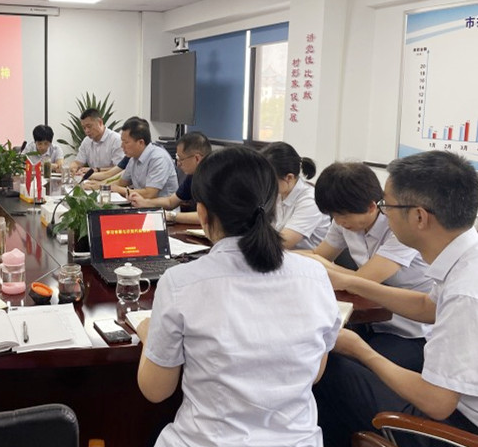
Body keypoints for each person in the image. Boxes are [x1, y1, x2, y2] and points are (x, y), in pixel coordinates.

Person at [136, 146, 341, 447]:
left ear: (202, 213)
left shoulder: (181, 283)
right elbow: (314, 373)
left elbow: (156, 391)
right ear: (272, 205)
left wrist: (148, 333)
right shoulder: (314, 276)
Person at [314, 151, 478, 446]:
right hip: (455, 401)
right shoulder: (466, 259)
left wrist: (361, 350)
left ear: (419, 216)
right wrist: (351, 281)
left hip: (457, 428)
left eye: (386, 205)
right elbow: (427, 307)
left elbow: (437, 402)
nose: (383, 213)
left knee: (330, 370)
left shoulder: (465, 292)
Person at [305, 161, 432, 371]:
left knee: (341, 368)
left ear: (371, 206)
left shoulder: (400, 228)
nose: (339, 221)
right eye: (334, 215)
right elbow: (319, 255)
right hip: (369, 321)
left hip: (410, 331)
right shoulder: (344, 222)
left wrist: (320, 264)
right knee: (315, 353)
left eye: (343, 215)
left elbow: (363, 280)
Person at [129, 131, 211, 225]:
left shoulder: (216, 177)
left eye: (181, 159)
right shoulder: (193, 176)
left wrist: (171, 216)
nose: (178, 164)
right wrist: (145, 202)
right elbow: (170, 202)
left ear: (197, 158)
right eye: (177, 158)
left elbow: (208, 217)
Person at [260, 141, 330, 249]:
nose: (264, 183)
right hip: (284, 256)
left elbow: (282, 243)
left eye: (269, 180)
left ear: (289, 178)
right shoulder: (279, 194)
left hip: (307, 258)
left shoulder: (310, 200)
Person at [105, 118, 178, 199]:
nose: (122, 146)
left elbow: (149, 194)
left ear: (140, 142)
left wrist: (119, 190)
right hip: (141, 204)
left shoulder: (158, 158)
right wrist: (102, 187)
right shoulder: (133, 158)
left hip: (160, 206)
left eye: (126, 142)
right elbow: (122, 182)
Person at [69, 108, 124, 174]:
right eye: (84, 128)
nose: (87, 131)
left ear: (100, 122)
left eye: (89, 126)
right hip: (91, 179)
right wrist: (72, 167)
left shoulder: (116, 140)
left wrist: (96, 170)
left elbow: (119, 169)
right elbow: (78, 162)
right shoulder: (86, 141)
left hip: (112, 179)